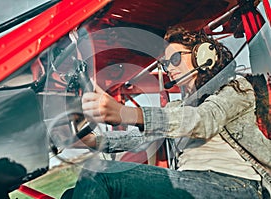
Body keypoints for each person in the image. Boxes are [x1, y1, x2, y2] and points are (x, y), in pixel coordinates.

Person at [63, 27, 271, 198]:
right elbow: (138, 137)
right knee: (70, 195)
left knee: (99, 173)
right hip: (194, 182)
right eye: (165, 63)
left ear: (203, 54)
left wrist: (126, 113)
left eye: (175, 59)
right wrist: (88, 136)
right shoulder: (177, 109)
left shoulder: (236, 89)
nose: (169, 68)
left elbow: (203, 120)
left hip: (238, 187)